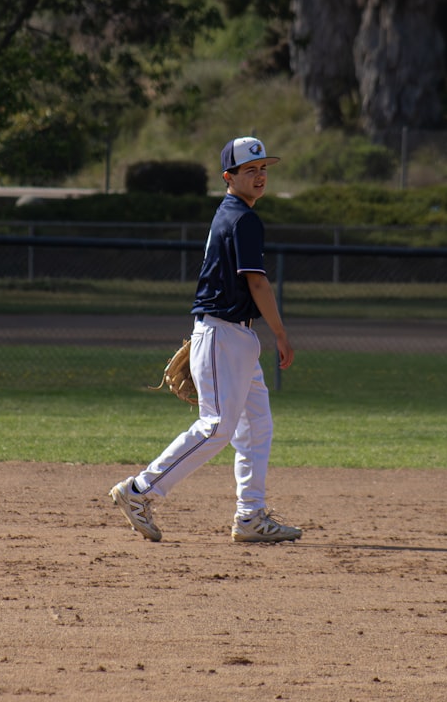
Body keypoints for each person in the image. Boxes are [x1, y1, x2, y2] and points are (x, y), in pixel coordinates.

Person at [109, 136, 302, 544]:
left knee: (257, 427)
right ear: (228, 177)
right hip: (223, 334)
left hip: (235, 337)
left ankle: (250, 516)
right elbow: (257, 282)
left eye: (263, 169)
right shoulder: (242, 218)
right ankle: (139, 490)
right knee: (217, 427)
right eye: (250, 170)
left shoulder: (231, 214)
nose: (260, 176)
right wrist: (281, 333)